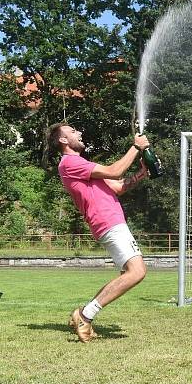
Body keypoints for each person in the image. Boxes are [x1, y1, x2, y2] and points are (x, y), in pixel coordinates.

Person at [46, 123, 150, 342]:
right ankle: (84, 315)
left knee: (130, 273)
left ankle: (85, 315)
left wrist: (141, 174)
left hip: (110, 221)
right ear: (63, 140)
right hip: (107, 221)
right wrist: (136, 146)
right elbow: (115, 170)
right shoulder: (70, 162)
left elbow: (117, 186)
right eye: (73, 131)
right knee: (137, 271)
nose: (80, 132)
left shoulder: (81, 164)